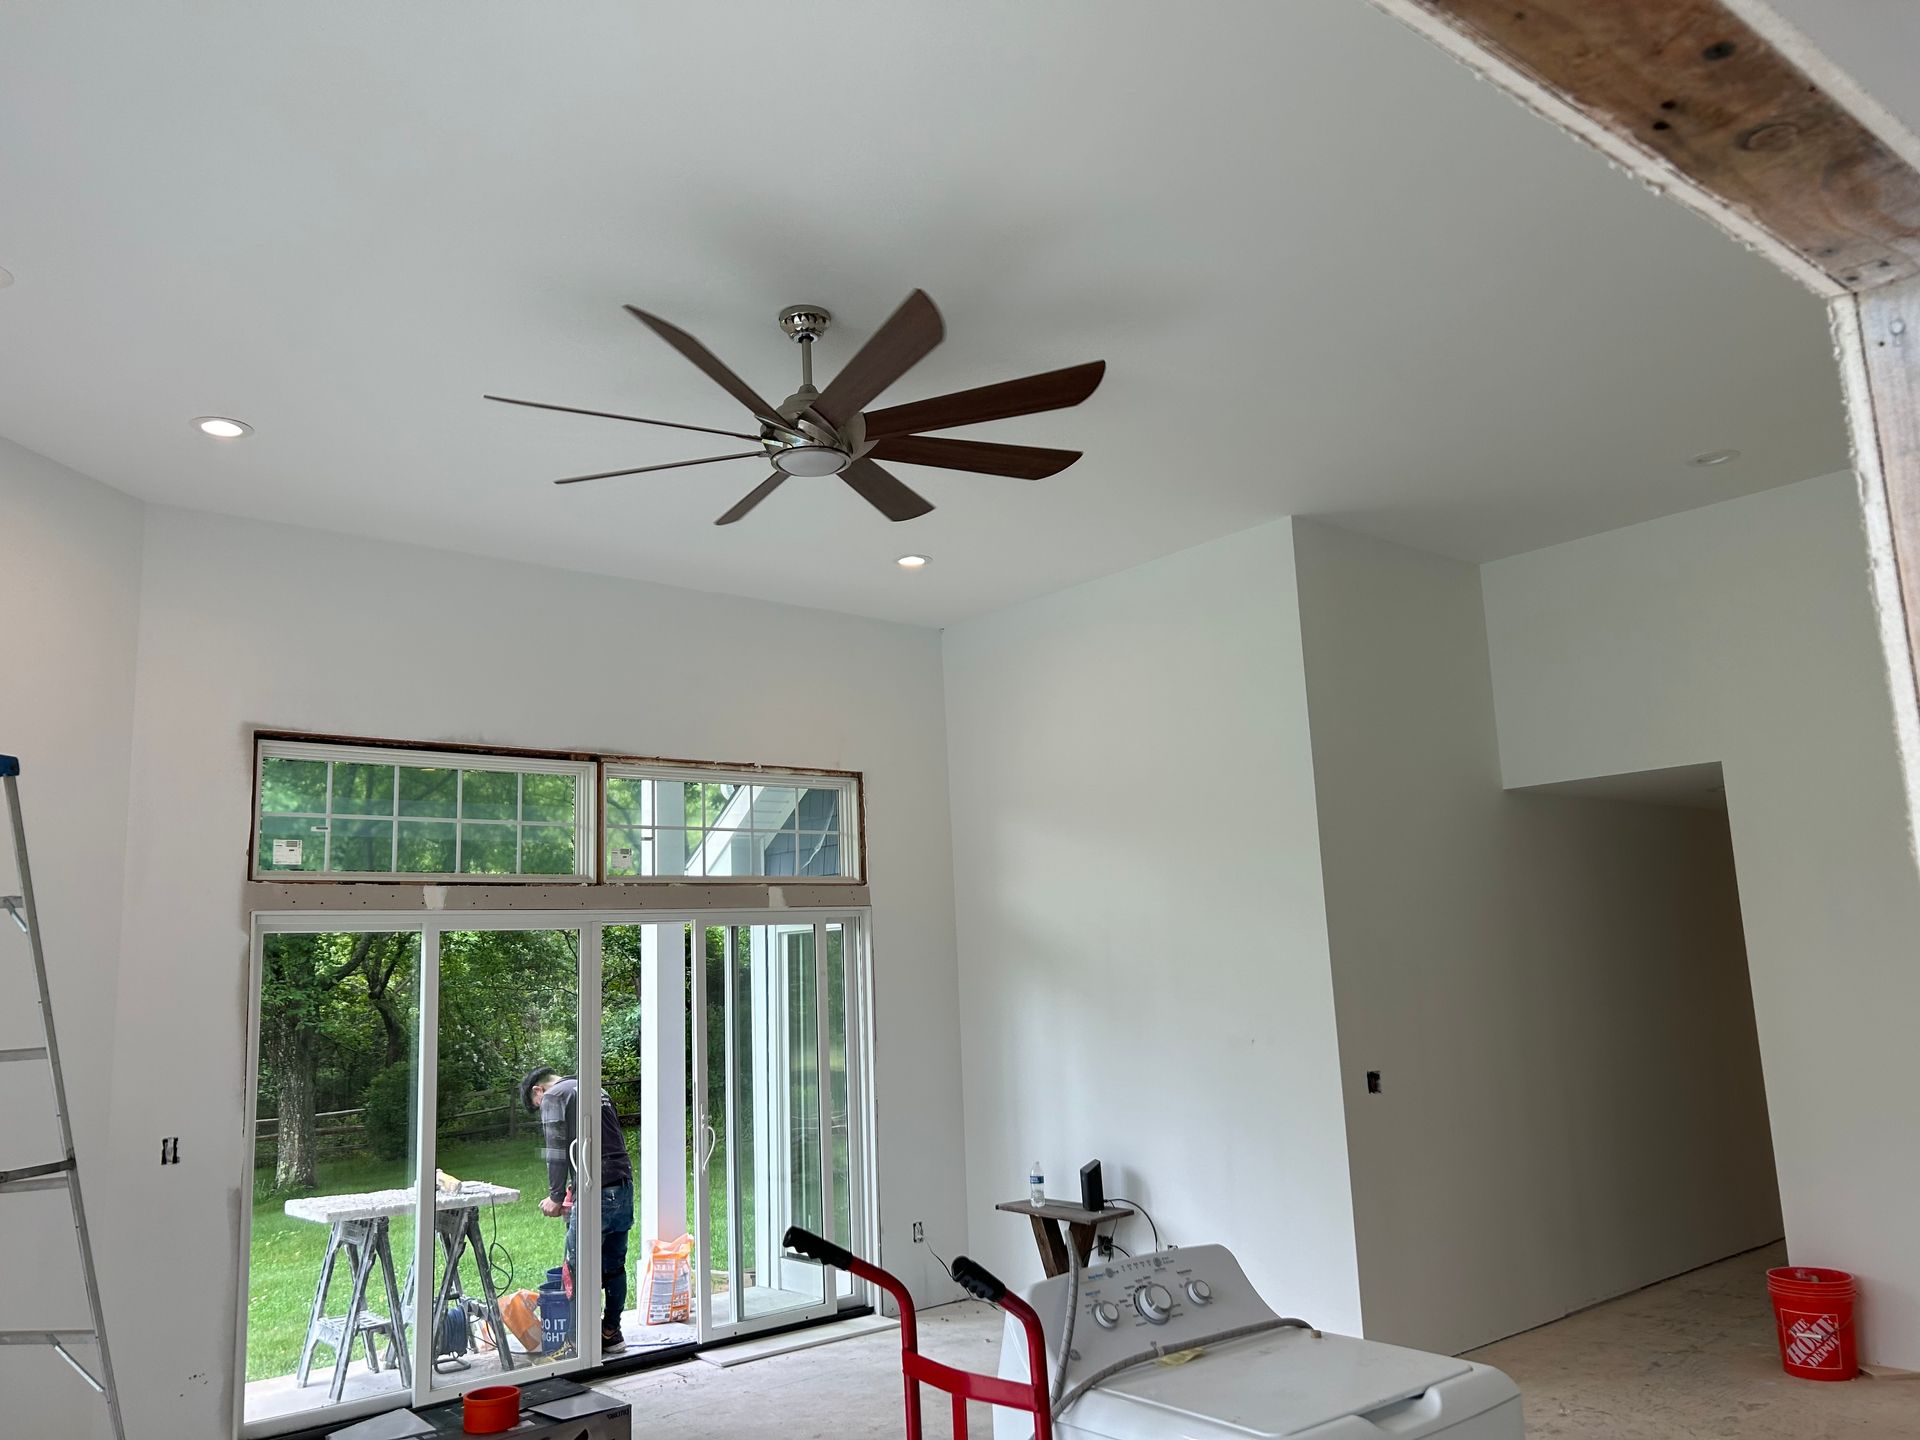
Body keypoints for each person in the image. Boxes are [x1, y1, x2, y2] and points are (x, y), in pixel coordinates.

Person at [520, 1066, 635, 1352]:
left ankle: (576, 1345)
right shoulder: (595, 1088)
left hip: (596, 1191)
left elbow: (557, 1151)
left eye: (537, 1105)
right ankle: (611, 1334)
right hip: (622, 1186)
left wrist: (556, 1197)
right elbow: (597, 1145)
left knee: (576, 1268)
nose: (542, 1109)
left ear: (538, 1091)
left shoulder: (554, 1096)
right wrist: (574, 1188)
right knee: (614, 1266)